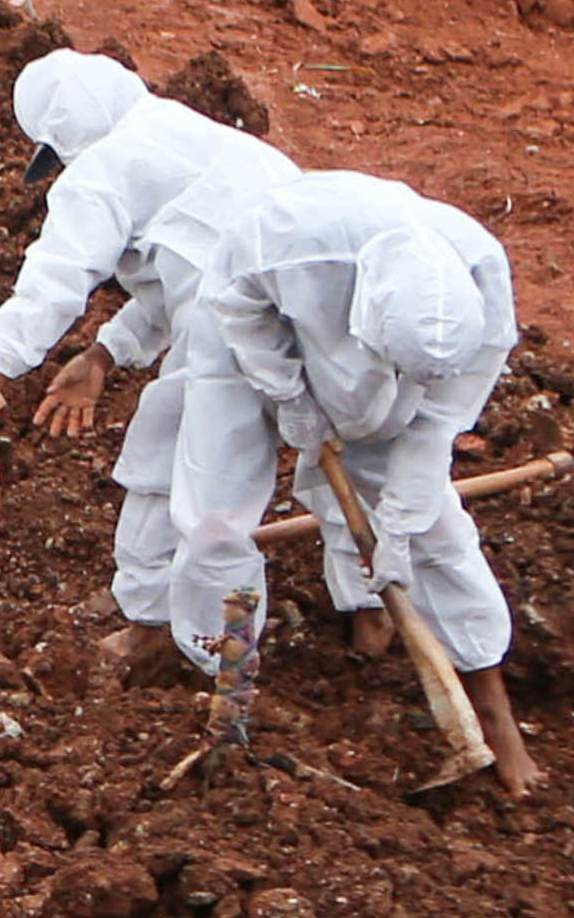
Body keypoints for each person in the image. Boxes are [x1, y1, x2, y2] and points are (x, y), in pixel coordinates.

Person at [0, 51, 296, 653]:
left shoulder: (101, 169)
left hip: (236, 322)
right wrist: (103, 355)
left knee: (174, 470)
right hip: (324, 304)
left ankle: (198, 653)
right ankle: (372, 606)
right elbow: (186, 265)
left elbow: (58, 278)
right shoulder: (185, 136)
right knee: (358, 457)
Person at [166, 169, 533, 793]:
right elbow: (236, 305)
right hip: (245, 332)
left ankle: (491, 713)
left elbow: (434, 428)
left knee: (435, 530)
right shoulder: (288, 236)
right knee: (216, 516)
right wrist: (288, 391)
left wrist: (399, 528)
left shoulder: (480, 289)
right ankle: (228, 683)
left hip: (386, 364)